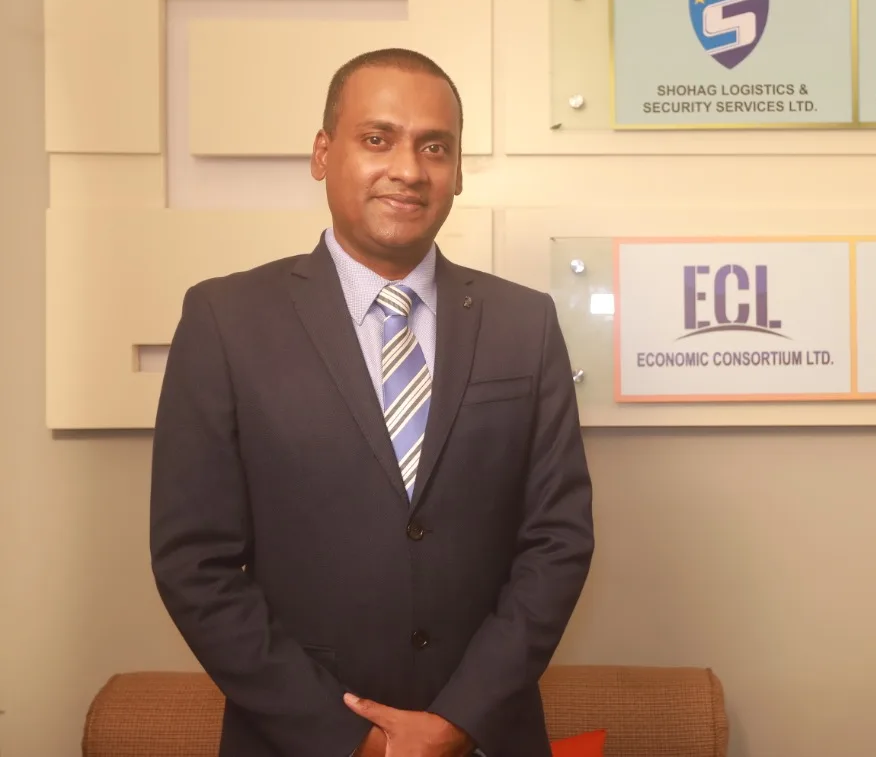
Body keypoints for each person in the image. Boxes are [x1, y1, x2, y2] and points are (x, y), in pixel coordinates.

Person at [149, 47, 595, 757]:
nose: (409, 170)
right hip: (298, 741)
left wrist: (458, 720)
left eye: (435, 147)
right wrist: (351, 738)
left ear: (457, 170)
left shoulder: (525, 322)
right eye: (378, 138)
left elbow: (558, 540)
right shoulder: (225, 321)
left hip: (483, 735)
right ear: (323, 153)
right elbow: (193, 563)